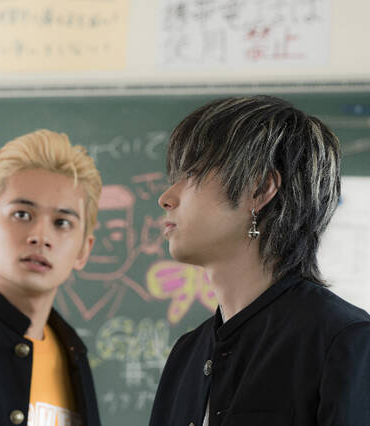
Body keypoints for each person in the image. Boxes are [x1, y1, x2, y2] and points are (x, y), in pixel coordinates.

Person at [149, 95, 370, 426]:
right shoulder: (187, 353)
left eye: (192, 174)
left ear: (260, 189)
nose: (166, 198)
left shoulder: (345, 341)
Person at [0, 130, 102, 426]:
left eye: (62, 222)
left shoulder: (73, 352)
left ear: (84, 250)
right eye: (22, 214)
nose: (40, 237)